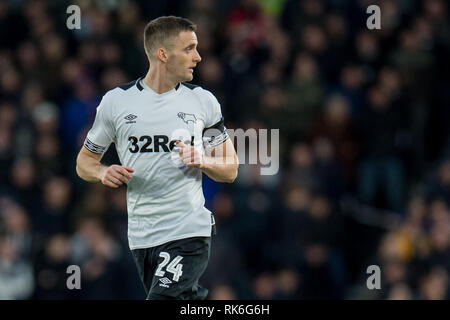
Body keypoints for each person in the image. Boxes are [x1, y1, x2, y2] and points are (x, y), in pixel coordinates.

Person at [75, 16, 239, 300]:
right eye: (189, 48)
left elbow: (231, 169)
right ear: (163, 54)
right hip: (142, 235)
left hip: (188, 230)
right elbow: (84, 162)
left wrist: (203, 160)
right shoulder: (117, 102)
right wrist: (102, 172)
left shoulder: (203, 102)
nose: (198, 57)